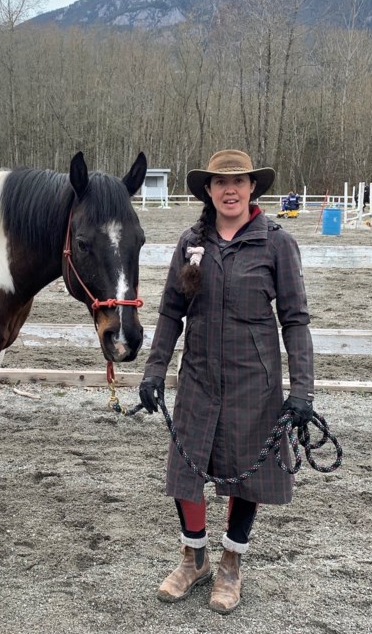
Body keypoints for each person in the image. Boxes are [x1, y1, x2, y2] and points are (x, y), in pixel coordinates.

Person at [138, 149, 315, 615]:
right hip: (197, 376)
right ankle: (194, 558)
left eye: (238, 181)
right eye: (220, 182)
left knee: (246, 472)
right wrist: (155, 368)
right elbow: (170, 311)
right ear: (209, 190)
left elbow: (295, 320)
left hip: (253, 381)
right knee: (186, 468)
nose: (229, 190)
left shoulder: (276, 242)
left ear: (253, 187)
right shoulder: (190, 241)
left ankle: (231, 562)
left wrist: (302, 391)